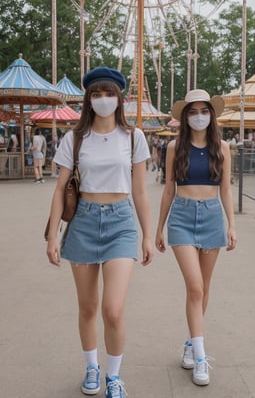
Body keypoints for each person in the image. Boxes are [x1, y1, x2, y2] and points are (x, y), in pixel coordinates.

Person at [46, 66, 153, 397]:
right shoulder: (74, 138)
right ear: (87, 100)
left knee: (113, 309)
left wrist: (147, 234)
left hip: (121, 222)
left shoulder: (134, 137)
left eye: (109, 94)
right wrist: (52, 235)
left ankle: (114, 376)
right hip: (83, 222)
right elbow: (60, 186)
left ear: (119, 98)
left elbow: (140, 191)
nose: (103, 100)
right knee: (88, 307)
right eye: (96, 94)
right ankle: (92, 366)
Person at [155, 89, 237, 387]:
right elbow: (168, 190)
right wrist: (158, 228)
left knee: (204, 288)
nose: (199, 116)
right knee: (194, 286)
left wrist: (231, 224)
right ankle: (201, 357)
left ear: (211, 115)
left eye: (204, 111)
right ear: (185, 117)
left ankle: (191, 342)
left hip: (213, 215)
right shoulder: (175, 147)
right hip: (182, 216)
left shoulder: (223, 147)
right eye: (193, 111)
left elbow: (226, 189)